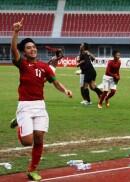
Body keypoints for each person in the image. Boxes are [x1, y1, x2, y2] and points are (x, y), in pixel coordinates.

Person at [11, 18, 73, 181]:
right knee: (27, 142)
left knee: (39, 138)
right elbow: (14, 52)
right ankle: (18, 120)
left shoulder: (44, 67)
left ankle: (32, 169)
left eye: (33, 47)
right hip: (25, 105)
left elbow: (55, 82)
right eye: (28, 48)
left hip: (40, 106)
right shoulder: (23, 64)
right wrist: (16, 32)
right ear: (24, 52)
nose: (32, 49)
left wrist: (65, 90)